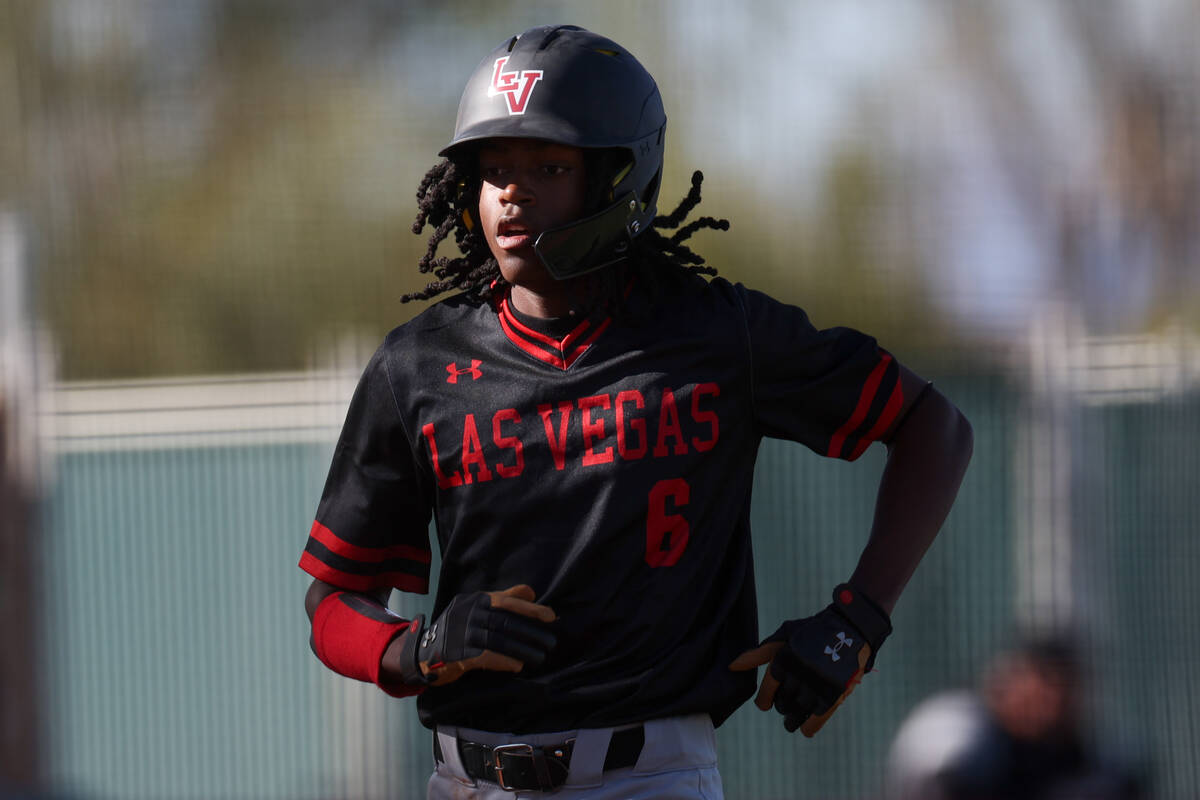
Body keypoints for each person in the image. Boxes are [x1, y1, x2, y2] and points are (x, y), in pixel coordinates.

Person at [299, 24, 974, 799]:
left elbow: (935, 427)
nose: (512, 192)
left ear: (621, 177)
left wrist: (858, 620)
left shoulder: (716, 335)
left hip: (647, 778)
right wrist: (416, 648)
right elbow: (331, 604)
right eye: (494, 170)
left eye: (548, 166)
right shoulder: (415, 366)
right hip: (467, 783)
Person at [885, 634, 1147, 800]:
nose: (1052, 702)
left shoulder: (1096, 763)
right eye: (1042, 684)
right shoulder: (963, 731)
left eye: (1064, 689)